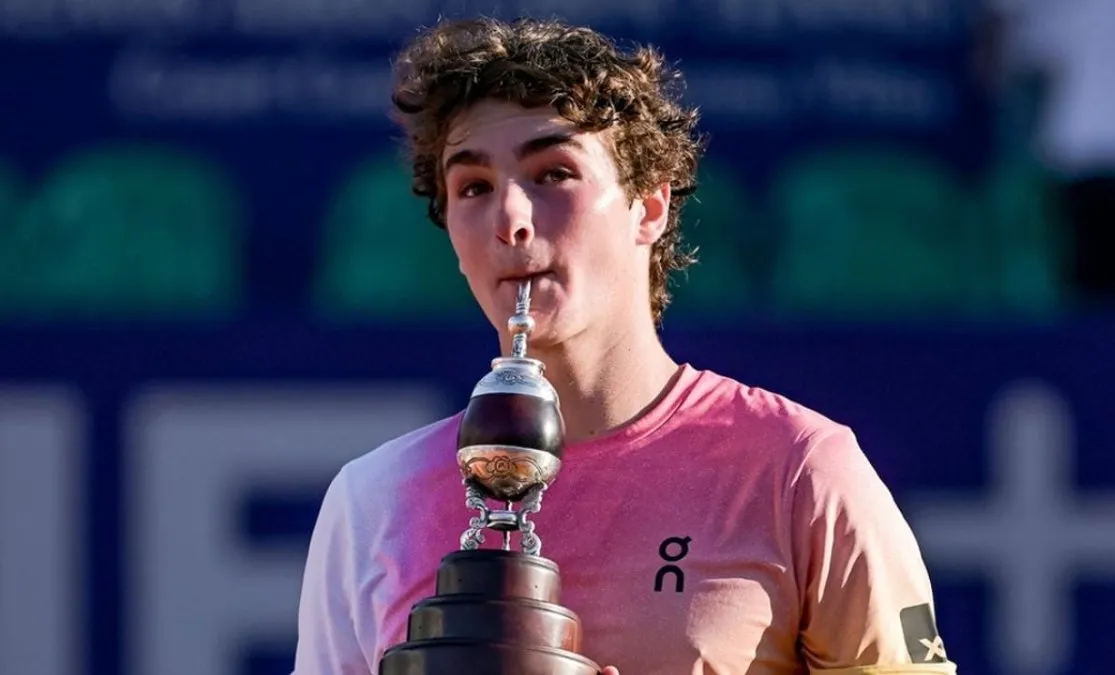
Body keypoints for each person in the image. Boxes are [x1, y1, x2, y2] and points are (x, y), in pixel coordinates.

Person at [292, 15, 957, 675]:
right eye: (473, 187)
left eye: (552, 174)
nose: (511, 220)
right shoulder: (374, 501)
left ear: (650, 205)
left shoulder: (801, 473)